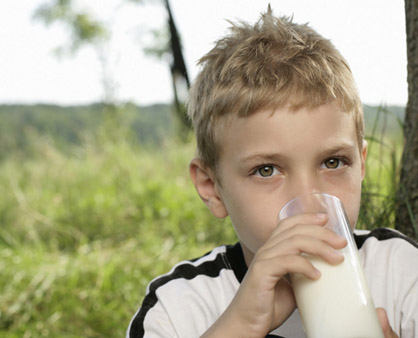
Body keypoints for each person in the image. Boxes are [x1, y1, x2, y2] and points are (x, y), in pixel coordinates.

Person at [127, 7, 418, 338]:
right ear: (212, 187)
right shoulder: (180, 307)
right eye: (266, 170)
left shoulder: (399, 271)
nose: (310, 205)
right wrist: (242, 324)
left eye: (333, 162)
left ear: (361, 164)